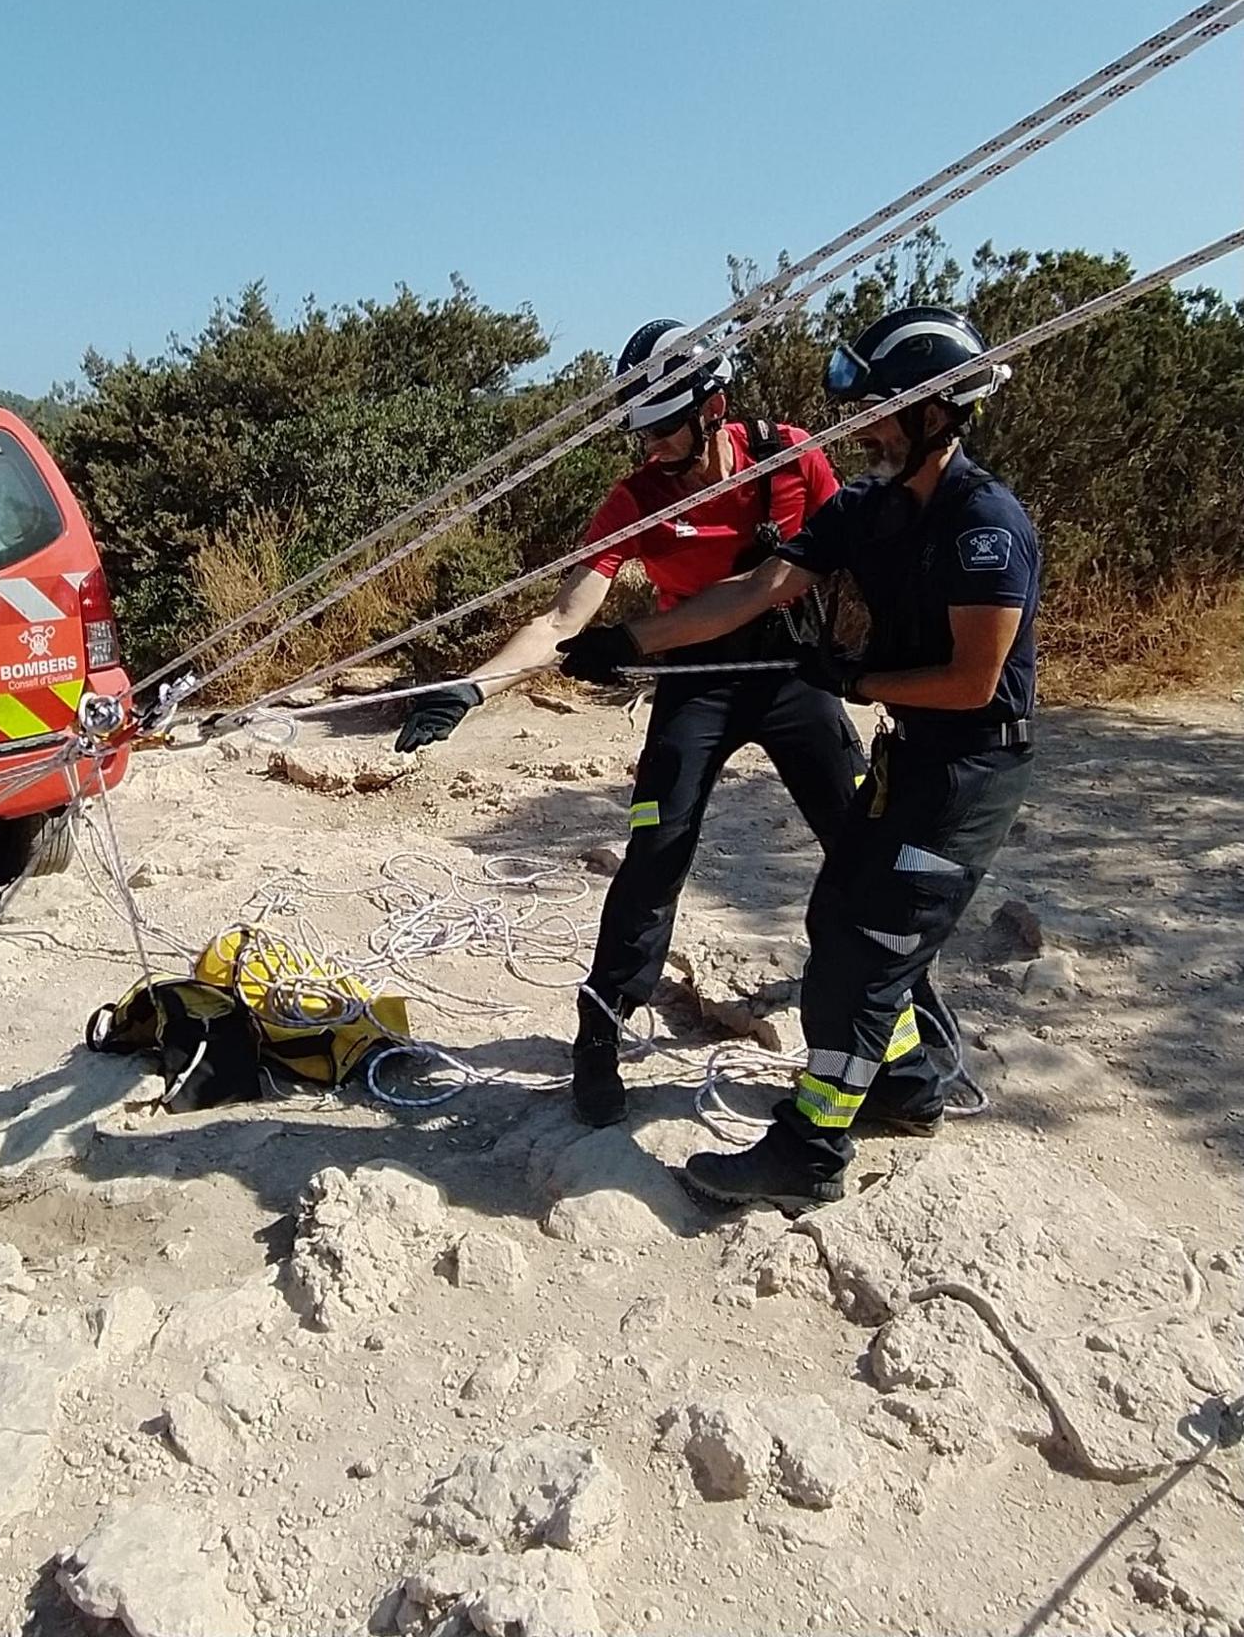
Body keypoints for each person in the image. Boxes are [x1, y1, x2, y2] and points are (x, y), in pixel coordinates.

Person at [557, 306, 1038, 1210]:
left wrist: (855, 681)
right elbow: (760, 585)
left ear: (934, 414)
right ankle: (905, 1079)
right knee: (829, 911)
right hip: (890, 746)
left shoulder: (985, 526)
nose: (867, 431)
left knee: (875, 943)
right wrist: (636, 642)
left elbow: (974, 683)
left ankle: (819, 1142)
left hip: (956, 765)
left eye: (883, 413)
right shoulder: (871, 506)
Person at [394, 318, 867, 1126]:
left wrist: (880, 662)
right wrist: (473, 689)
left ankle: (904, 1038)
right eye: (639, 434)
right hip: (696, 684)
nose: (649, 450)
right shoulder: (636, 499)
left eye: (663, 431)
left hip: (789, 677)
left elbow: (801, 574)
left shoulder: (791, 456)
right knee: (655, 854)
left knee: (862, 851)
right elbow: (564, 617)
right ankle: (601, 1032)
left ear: (713, 407)